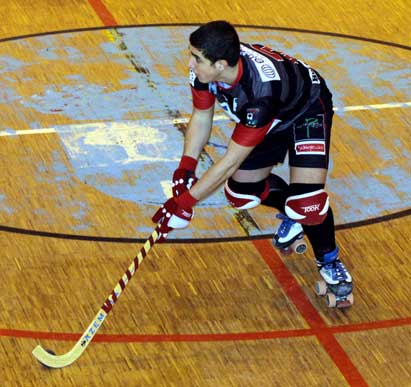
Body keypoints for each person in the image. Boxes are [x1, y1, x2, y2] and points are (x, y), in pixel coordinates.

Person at [152, 20, 353, 307]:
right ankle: (290, 211)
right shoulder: (206, 72)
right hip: (272, 121)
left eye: (196, 58)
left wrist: (183, 202)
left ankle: (329, 261)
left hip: (307, 109)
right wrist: (185, 168)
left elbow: (229, 163)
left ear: (221, 64)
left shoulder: (260, 94)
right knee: (241, 192)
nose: (190, 63)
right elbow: (201, 116)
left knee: (308, 203)